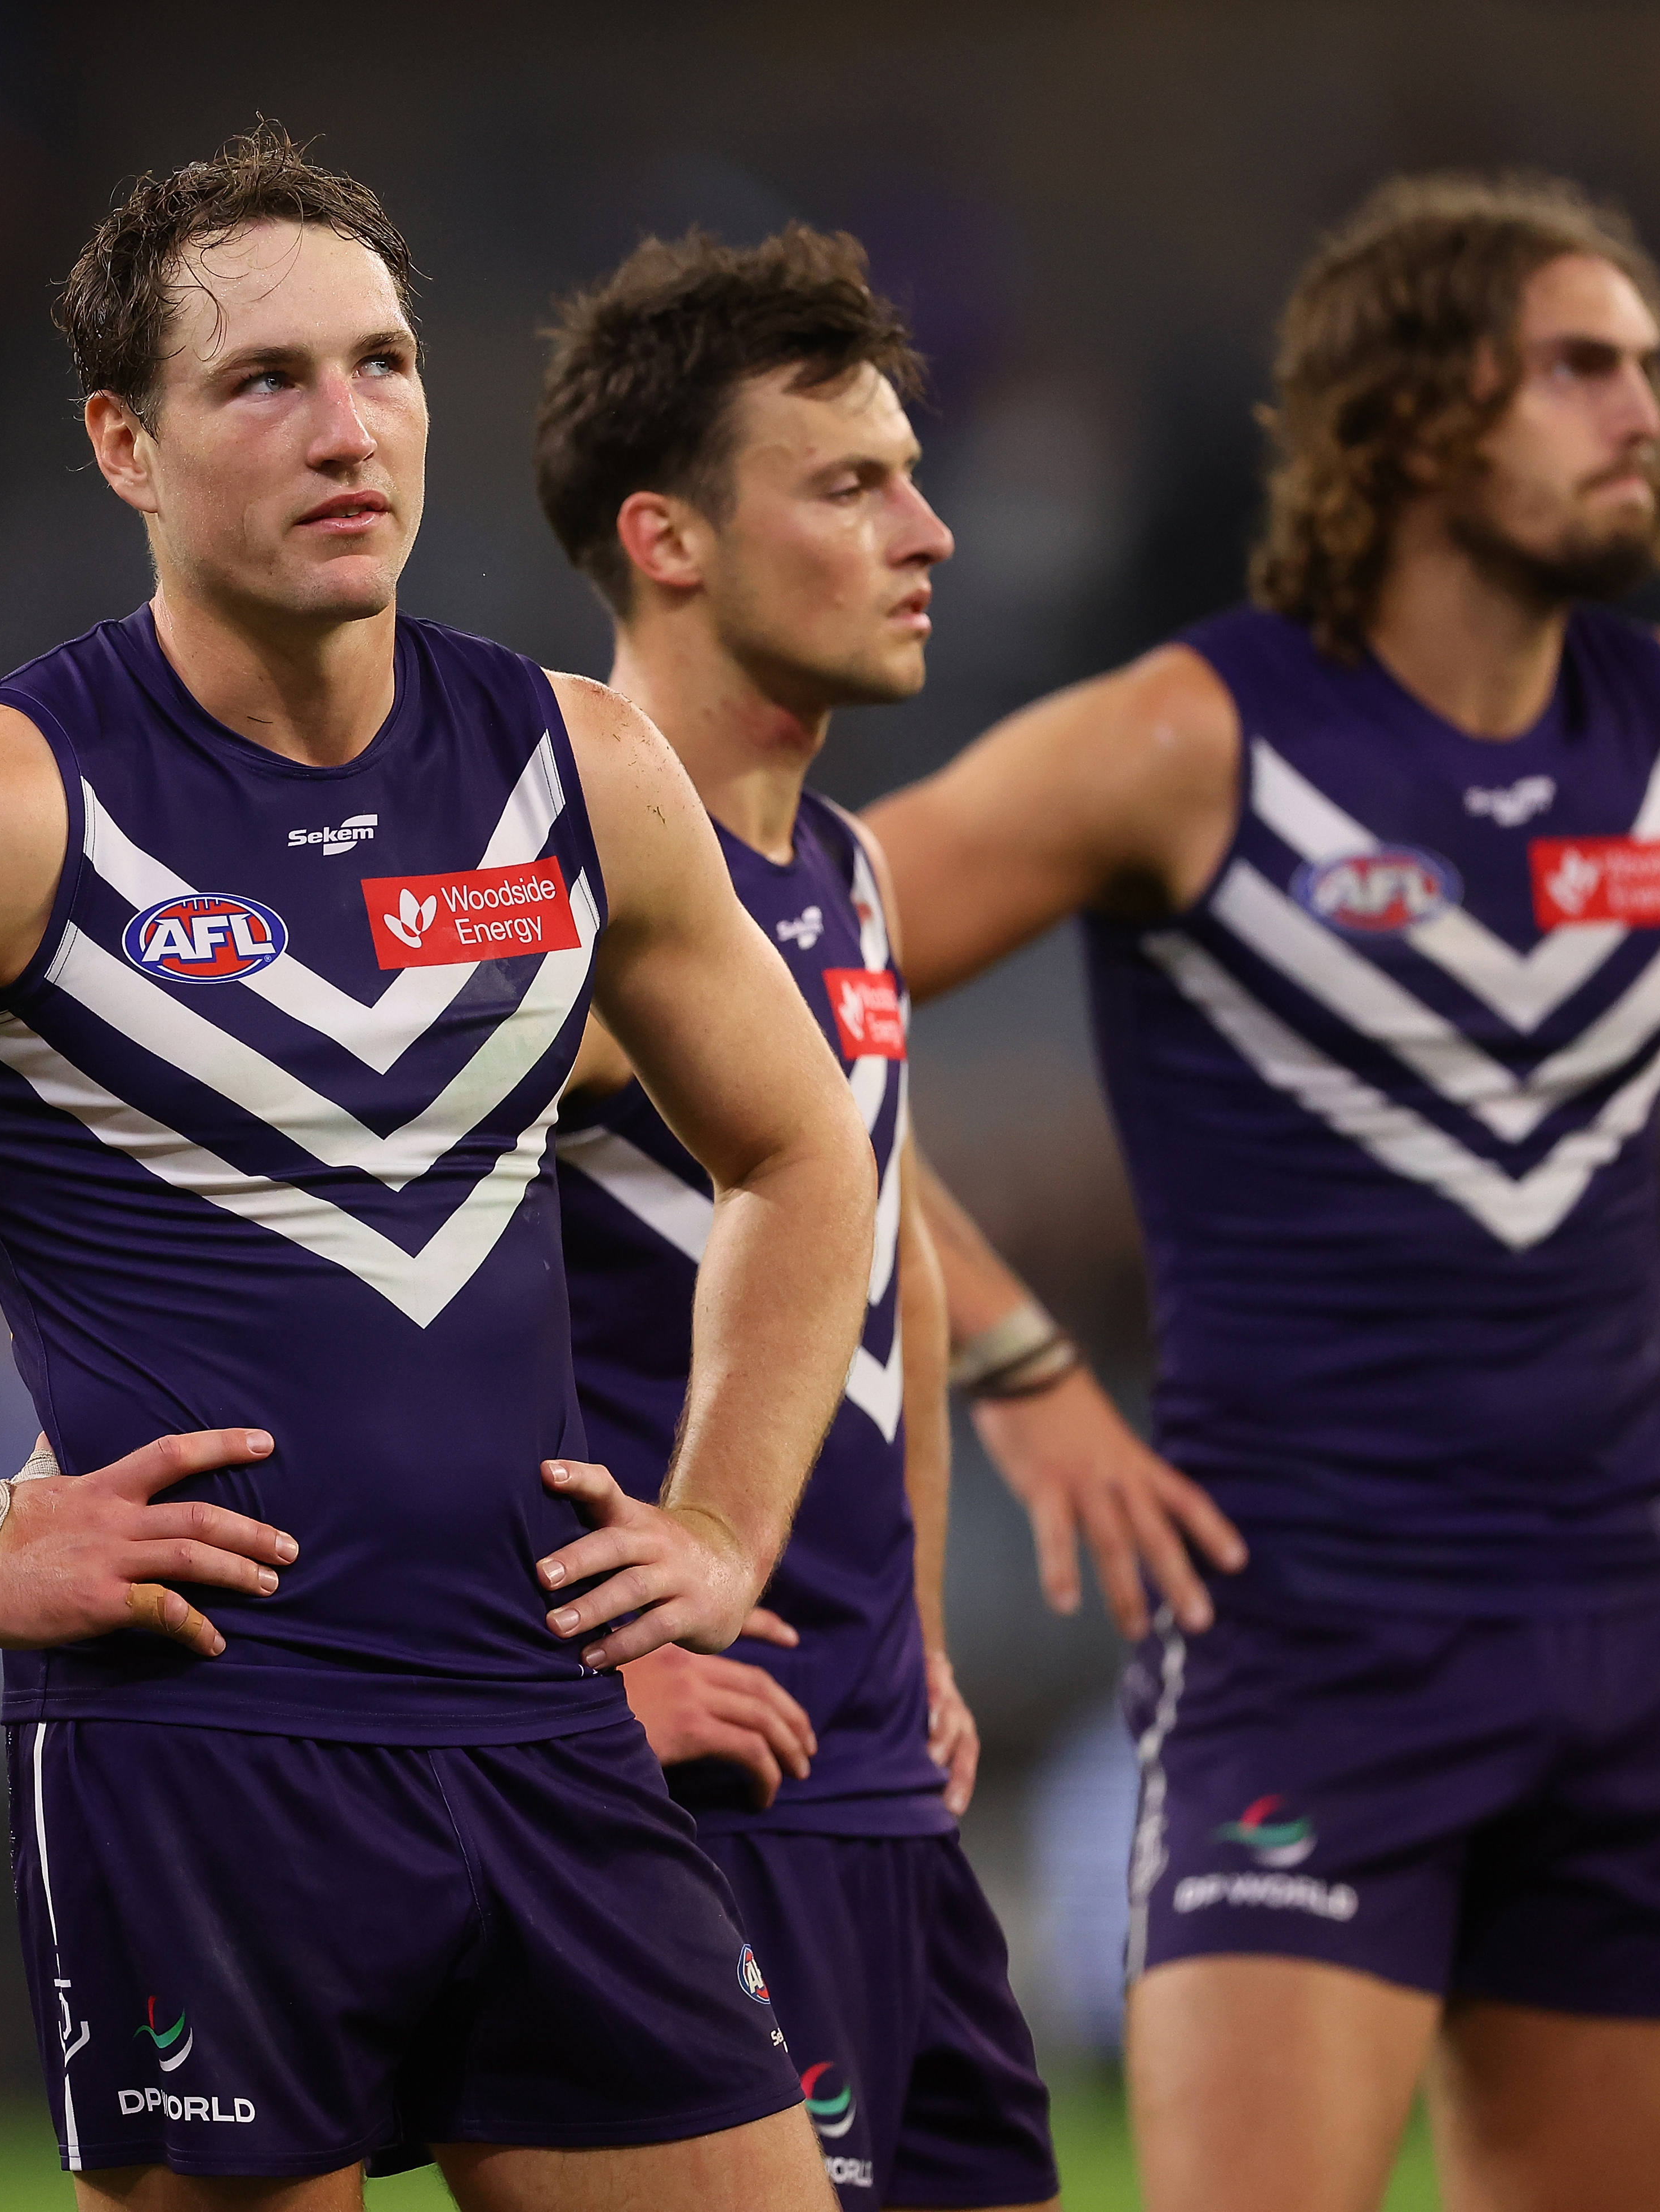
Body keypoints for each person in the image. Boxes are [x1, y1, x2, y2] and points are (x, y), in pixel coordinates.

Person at [0, 128, 878, 2211]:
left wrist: (728, 1522)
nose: (349, 429)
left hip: (546, 1731)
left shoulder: (579, 768)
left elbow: (798, 1150)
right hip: (203, 1760)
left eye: (384, 364)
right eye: (264, 383)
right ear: (122, 446)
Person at [864, 174, 1660, 2212]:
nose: (1646, 410)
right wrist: (1019, 1360)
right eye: (1582, 367)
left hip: (1625, 1646)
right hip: (1300, 1648)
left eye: (1653, 368)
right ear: (1413, 421)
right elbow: (785, 979)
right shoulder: (1182, 740)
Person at [532, 226, 1063, 2212]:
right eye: (850, 487)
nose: (927, 532)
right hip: (694, 1785)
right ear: (666, 539)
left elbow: (880, 1259)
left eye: (911, 476)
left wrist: (913, 1628)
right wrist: (593, 1675)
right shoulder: (555, 888)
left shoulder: (845, 871)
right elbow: (394, 1320)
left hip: (872, 1771)